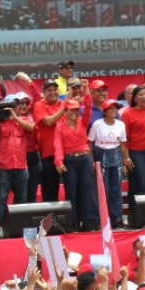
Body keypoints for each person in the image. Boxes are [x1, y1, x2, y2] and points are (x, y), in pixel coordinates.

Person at [0, 94, 33, 238]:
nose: (12, 108)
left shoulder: (23, 119)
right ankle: (1, 228)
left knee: (21, 199)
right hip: (2, 167)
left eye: (15, 105)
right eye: (10, 106)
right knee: (1, 199)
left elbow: (30, 128)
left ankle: (19, 228)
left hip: (21, 166)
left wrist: (14, 116)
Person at [53, 99, 97, 232]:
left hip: (84, 158)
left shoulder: (82, 121)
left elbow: (89, 108)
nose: (74, 112)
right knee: (71, 192)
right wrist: (58, 161)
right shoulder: (60, 126)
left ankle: (89, 222)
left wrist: (86, 90)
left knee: (87, 191)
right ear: (65, 111)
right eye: (71, 110)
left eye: (76, 110)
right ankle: (73, 223)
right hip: (70, 160)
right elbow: (58, 144)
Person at [89, 100, 128, 228]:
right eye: (110, 109)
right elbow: (90, 142)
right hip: (101, 155)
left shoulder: (120, 124)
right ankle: (103, 218)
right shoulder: (97, 124)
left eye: (115, 109)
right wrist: (92, 160)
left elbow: (123, 145)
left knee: (116, 189)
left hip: (116, 155)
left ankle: (117, 218)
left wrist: (125, 161)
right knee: (103, 189)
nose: (113, 111)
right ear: (104, 111)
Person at [31, 81, 66, 203]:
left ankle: (74, 220)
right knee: (50, 190)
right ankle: (50, 220)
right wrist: (64, 109)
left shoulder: (65, 104)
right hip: (49, 153)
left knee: (72, 188)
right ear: (44, 92)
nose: (52, 92)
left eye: (55, 89)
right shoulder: (39, 105)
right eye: (49, 90)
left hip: (67, 152)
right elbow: (48, 122)